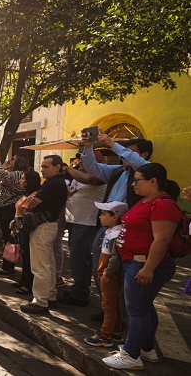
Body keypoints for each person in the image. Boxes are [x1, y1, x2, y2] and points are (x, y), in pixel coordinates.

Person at [102, 163, 181, 370]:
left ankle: (131, 353)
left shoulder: (164, 205)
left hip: (143, 264)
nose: (134, 184)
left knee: (136, 311)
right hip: (133, 263)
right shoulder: (147, 201)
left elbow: (161, 241)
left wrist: (148, 268)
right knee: (144, 308)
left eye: (138, 180)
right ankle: (146, 349)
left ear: (153, 182)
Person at [81, 132, 151, 310]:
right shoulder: (118, 171)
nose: (123, 155)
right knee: (101, 267)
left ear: (144, 155)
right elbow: (91, 167)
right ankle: (108, 309)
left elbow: (138, 164)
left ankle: (119, 316)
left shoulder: (148, 170)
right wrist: (88, 146)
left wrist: (110, 143)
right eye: (124, 152)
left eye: (130, 152)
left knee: (120, 271)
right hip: (107, 227)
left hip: (129, 230)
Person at [19, 155, 68, 315]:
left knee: (40, 266)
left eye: (46, 167)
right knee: (49, 263)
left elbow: (29, 203)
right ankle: (50, 296)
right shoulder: (56, 183)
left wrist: (28, 202)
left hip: (44, 227)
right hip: (49, 226)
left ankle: (40, 301)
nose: (42, 170)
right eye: (42, 166)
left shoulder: (53, 184)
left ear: (58, 167)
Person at [58, 165, 107, 306]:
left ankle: (81, 293)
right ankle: (79, 287)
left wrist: (67, 169)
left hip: (86, 222)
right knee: (77, 257)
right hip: (75, 221)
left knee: (80, 258)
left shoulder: (100, 175)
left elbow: (85, 179)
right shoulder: (78, 176)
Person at [84, 201, 127, 347]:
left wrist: (107, 273)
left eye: (103, 214)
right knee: (114, 304)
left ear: (114, 217)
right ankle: (116, 332)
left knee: (108, 305)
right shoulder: (111, 231)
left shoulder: (116, 233)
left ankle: (105, 335)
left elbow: (115, 257)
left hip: (110, 274)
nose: (100, 217)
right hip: (107, 273)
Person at [0, 150, 29, 277]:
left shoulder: (18, 174)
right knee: (7, 237)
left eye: (13, 159)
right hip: (6, 208)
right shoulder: (14, 174)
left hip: (9, 209)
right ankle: (7, 265)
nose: (10, 161)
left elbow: (0, 174)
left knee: (8, 238)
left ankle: (7, 267)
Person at [10, 171, 42, 295]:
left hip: (26, 229)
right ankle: (23, 280)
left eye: (23, 179)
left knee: (29, 257)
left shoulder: (34, 195)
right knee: (24, 256)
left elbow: (26, 211)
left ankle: (29, 283)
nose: (20, 181)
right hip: (19, 229)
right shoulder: (25, 194)